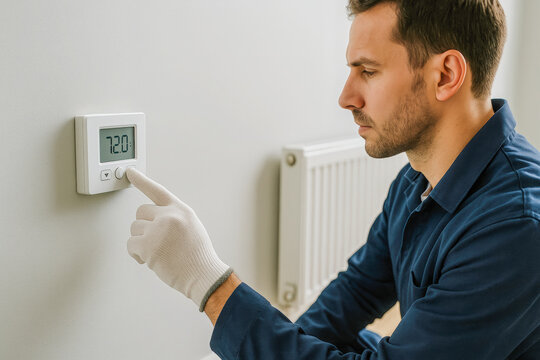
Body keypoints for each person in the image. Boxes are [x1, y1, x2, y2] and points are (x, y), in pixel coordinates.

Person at [125, 0, 540, 358]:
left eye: (368, 71)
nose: (346, 97)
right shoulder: (417, 178)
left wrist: (209, 284)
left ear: (446, 75)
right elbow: (356, 293)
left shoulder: (516, 227)